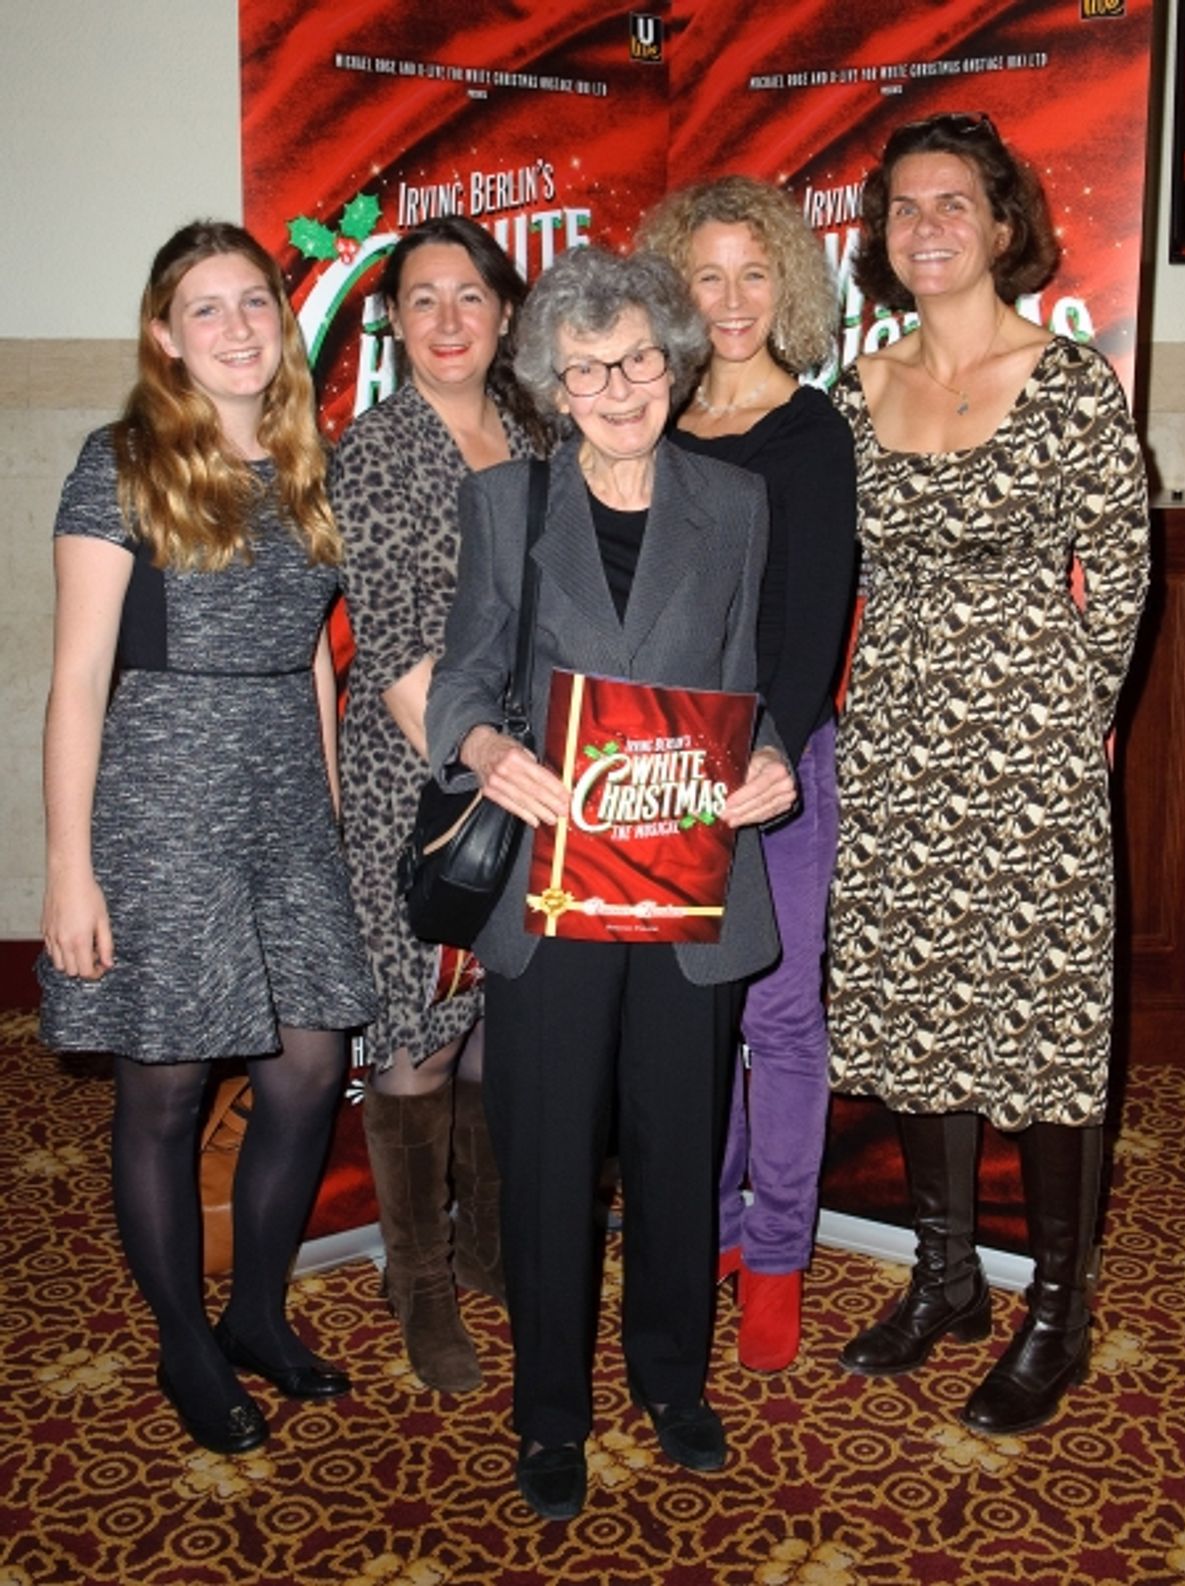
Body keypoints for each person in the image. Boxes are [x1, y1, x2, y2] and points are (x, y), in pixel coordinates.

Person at [425, 245, 797, 1520]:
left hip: (687, 880)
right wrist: (489, 750)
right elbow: (467, 681)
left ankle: (671, 1383)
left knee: (679, 1141)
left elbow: (753, 684)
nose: (621, 386)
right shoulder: (507, 507)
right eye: (588, 369)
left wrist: (770, 763)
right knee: (546, 1149)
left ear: (674, 362)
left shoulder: (736, 505)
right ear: (553, 383)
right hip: (555, 882)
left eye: (639, 358)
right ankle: (550, 1411)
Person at [827, 113, 1150, 1435]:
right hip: (898, 743)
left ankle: (1056, 1311)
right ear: (884, 240)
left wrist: (1079, 715)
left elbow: (1121, 564)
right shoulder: (855, 395)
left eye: (954, 203)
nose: (930, 226)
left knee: (1046, 1020)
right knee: (914, 1008)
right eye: (905, 208)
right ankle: (947, 1274)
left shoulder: (1072, 381)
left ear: (1003, 223)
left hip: (1032, 750)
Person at [38, 221, 377, 1457]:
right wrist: (68, 867)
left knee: (307, 1060)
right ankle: (184, 1338)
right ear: (166, 336)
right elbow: (76, 680)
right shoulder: (120, 461)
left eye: (255, 303)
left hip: (285, 795)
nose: (238, 327)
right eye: (207, 308)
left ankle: (253, 1312)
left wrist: (329, 820)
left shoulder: (306, 461)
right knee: (166, 1084)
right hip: (163, 794)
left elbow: (312, 669)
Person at [639, 175, 857, 1372]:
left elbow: (814, 618)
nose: (730, 300)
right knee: (688, 1016)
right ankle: (708, 1226)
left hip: (775, 766)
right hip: (663, 764)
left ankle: (775, 1254)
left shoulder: (811, 431)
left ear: (789, 286)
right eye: (706, 275)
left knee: (776, 1016)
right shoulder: (649, 420)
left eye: (753, 273)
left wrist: (770, 747)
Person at [330, 216, 549, 1394]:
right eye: (423, 299)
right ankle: (417, 1279)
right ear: (396, 322)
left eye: (470, 295)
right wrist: (486, 766)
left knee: (501, 1024)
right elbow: (402, 643)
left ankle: (486, 1248)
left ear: (505, 312)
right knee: (416, 1037)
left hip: (529, 770)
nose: (450, 319)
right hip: (421, 780)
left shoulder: (537, 433)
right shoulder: (374, 450)